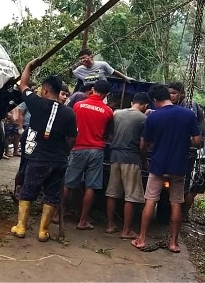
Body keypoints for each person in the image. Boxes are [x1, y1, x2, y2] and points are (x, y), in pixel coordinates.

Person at [10, 59, 78, 241]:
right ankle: (43, 231)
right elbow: (72, 138)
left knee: (28, 191)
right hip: (59, 160)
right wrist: (65, 152)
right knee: (52, 194)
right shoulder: (69, 113)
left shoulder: (36, 103)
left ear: (45, 90)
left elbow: (23, 84)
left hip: (38, 159)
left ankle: (21, 227)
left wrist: (28, 67)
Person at [132, 84, 201, 253]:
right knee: (176, 204)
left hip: (158, 165)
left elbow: (143, 144)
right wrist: (185, 141)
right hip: (178, 167)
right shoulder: (188, 114)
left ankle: (141, 239)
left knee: (150, 200)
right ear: (169, 97)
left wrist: (145, 160)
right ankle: (173, 243)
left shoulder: (153, 118)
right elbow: (198, 141)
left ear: (155, 101)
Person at [63, 79, 113, 231]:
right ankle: (83, 220)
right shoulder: (108, 111)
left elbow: (70, 126)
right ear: (106, 94)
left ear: (93, 89)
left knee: (68, 183)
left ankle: (55, 214)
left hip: (77, 148)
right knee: (91, 186)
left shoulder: (78, 105)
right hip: (96, 150)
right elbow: (109, 133)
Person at [105, 92, 151, 239]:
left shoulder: (117, 114)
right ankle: (126, 230)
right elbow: (143, 145)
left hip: (114, 157)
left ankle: (110, 225)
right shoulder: (145, 119)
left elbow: (110, 134)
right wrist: (144, 161)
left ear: (132, 103)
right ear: (145, 106)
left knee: (112, 192)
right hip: (131, 158)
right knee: (131, 195)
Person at [167, 82, 205, 223]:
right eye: (169, 93)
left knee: (184, 180)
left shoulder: (189, 104)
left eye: (173, 93)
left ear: (182, 93)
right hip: (183, 143)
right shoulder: (175, 104)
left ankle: (180, 212)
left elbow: (185, 126)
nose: (170, 96)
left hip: (193, 143)